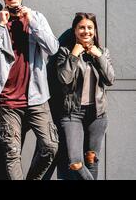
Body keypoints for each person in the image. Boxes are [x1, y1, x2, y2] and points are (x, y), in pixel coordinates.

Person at [0, 0, 59, 180]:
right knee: (11, 153)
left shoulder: (37, 17)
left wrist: (31, 21)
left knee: (50, 146)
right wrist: (0, 26)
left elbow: (52, 48)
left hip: (37, 97)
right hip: (8, 99)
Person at [56, 12, 114, 180]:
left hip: (97, 115)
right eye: (81, 27)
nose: (86, 31)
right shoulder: (65, 52)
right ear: (75, 30)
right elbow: (64, 78)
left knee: (91, 159)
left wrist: (99, 56)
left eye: (90, 27)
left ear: (95, 31)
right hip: (72, 114)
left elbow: (110, 79)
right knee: (75, 161)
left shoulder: (103, 52)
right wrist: (74, 55)